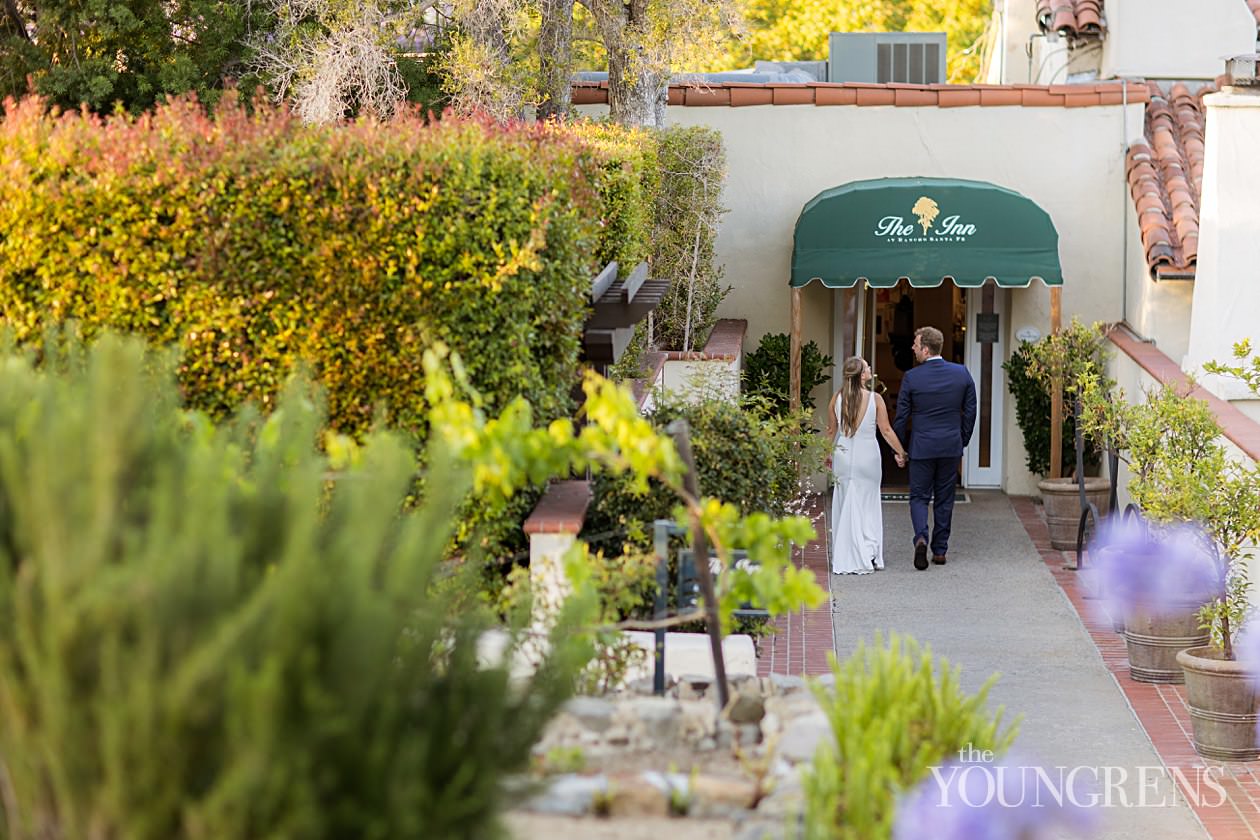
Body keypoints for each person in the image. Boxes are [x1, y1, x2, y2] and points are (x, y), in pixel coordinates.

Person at [892, 326, 977, 571]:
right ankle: (940, 550)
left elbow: (902, 416)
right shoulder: (961, 374)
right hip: (950, 445)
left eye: (916, 345)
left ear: (926, 350)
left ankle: (920, 537)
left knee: (919, 496)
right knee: (945, 498)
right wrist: (962, 439)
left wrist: (899, 449)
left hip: (922, 446)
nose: (913, 349)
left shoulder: (912, 377)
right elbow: (970, 411)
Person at [825, 356, 909, 575]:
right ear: (862, 375)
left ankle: (846, 551)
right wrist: (901, 452)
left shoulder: (837, 398)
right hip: (868, 456)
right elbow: (887, 431)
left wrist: (826, 454)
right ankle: (869, 550)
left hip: (843, 454)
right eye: (867, 367)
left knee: (845, 502)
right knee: (868, 504)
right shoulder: (875, 399)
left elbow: (831, 432)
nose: (870, 368)